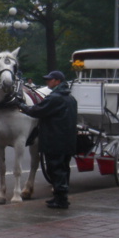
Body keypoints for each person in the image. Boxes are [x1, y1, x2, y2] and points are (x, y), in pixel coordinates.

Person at [18, 70, 77, 209]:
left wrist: (21, 106)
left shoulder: (55, 98)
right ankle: (59, 197)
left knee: (56, 169)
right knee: (63, 168)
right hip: (67, 139)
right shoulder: (70, 98)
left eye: (50, 80)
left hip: (55, 139)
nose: (47, 82)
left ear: (57, 81)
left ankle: (61, 200)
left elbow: (37, 111)